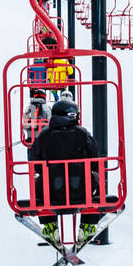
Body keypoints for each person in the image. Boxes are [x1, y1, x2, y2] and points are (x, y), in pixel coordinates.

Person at [27, 98, 102, 245]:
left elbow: (35, 163)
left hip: (51, 194)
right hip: (82, 192)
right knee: (98, 180)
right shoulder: (83, 134)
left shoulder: (44, 136)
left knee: (38, 183)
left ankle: (50, 225)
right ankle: (87, 225)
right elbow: (95, 161)